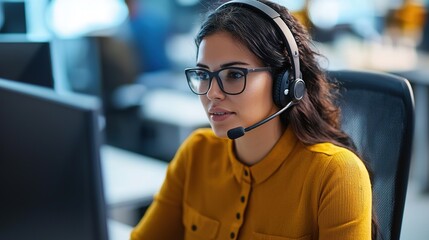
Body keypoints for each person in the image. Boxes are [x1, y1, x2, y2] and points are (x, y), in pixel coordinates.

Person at [131, 0, 373, 239]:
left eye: (234, 74)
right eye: (204, 74)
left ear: (286, 82)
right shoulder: (197, 152)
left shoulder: (334, 174)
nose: (211, 92)